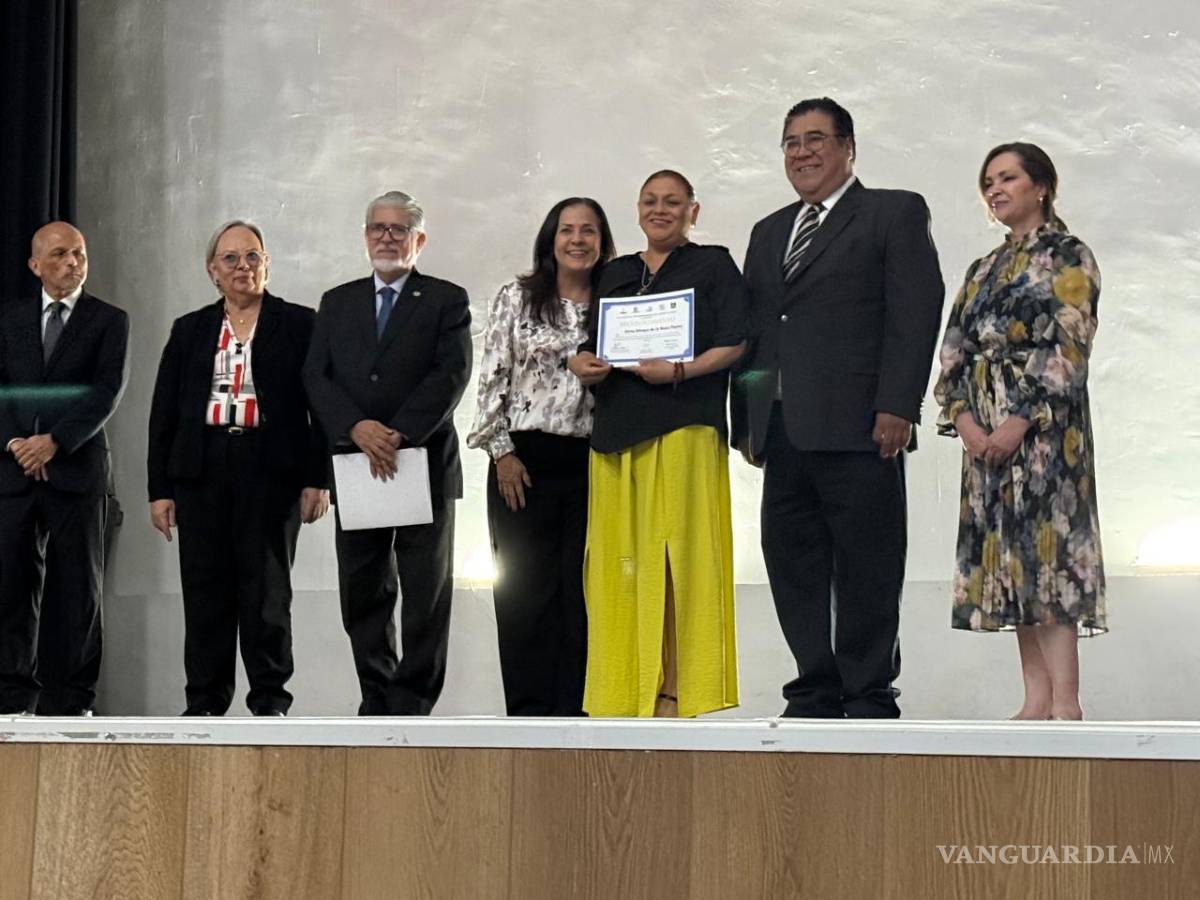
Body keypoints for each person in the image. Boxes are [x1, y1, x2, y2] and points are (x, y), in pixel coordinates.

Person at [732, 97, 944, 719]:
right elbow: (758, 331)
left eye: (816, 138)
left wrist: (897, 405)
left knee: (868, 566)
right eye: (791, 141)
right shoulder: (769, 230)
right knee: (791, 563)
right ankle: (814, 686)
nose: (803, 152)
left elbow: (914, 311)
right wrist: (748, 421)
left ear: (849, 146)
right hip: (783, 429)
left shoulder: (892, 212)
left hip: (861, 425)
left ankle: (869, 689)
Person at [934, 143, 1106, 721]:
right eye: (988, 182)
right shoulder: (982, 269)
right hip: (984, 438)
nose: (996, 189)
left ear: (1041, 186)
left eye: (1008, 177)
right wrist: (965, 421)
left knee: (1046, 557)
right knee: (1009, 561)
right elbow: (953, 351)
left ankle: (1066, 702)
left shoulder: (1068, 255)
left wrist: (1015, 422)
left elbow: (1069, 345)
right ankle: (1034, 698)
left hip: (1044, 436)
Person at [570, 170, 746, 719]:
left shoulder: (712, 263)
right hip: (616, 434)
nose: (660, 209)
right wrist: (583, 364)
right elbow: (592, 343)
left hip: (684, 426)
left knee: (680, 563)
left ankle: (676, 691)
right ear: (637, 209)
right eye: (650, 200)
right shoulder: (616, 272)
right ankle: (620, 694)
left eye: (673, 201)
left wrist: (680, 370)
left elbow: (737, 342)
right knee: (617, 569)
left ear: (693, 210)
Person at [147, 220, 330, 716]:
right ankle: (204, 702)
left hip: (271, 470)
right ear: (212, 270)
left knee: (267, 591)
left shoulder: (299, 323)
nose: (242, 267)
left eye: (252, 257)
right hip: (201, 469)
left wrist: (319, 478)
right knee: (205, 591)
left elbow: (321, 408)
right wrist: (158, 489)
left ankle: (270, 699)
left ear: (266, 263)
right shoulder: (190, 330)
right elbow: (164, 411)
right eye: (230, 259)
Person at [303, 191, 471, 716]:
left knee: (426, 592)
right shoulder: (337, 301)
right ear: (364, 235)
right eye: (377, 227)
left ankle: (413, 701)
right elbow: (316, 375)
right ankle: (376, 696)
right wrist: (356, 427)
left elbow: (450, 375)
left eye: (399, 229)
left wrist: (396, 433)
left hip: (420, 464)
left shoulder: (446, 298)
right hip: (356, 466)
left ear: (418, 240)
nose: (387, 237)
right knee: (363, 589)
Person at [467, 198, 615, 717]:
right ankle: (529, 717)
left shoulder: (615, 302)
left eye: (589, 230)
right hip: (522, 460)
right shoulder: (518, 298)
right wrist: (501, 453)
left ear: (602, 240)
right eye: (567, 230)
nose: (578, 239)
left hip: (593, 461)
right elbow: (491, 382)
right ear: (551, 240)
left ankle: (577, 711)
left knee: (581, 594)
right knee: (524, 594)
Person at [0, 221, 130, 716]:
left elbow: (105, 393)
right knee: (12, 586)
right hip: (14, 472)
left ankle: (73, 700)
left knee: (79, 591)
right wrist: (16, 443)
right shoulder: (9, 320)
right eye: (59, 254)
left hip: (77, 471)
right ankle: (13, 698)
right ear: (35, 266)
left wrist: (54, 442)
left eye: (78, 253)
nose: (72, 262)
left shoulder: (109, 320)